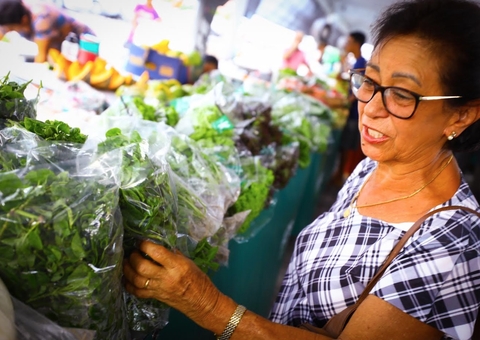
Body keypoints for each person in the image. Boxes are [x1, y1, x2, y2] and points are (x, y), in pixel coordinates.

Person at [123, 0, 480, 338]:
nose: (370, 108)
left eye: (401, 94)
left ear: (462, 115)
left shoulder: (451, 241)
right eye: (369, 81)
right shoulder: (372, 168)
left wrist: (204, 302)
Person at [0, 0, 95, 63]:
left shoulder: (42, 19)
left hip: (83, 44)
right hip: (58, 50)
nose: (7, 31)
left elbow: (41, 58)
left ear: (24, 20)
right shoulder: (8, 17)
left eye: (11, 28)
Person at [332, 31, 367, 185]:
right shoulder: (358, 62)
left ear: (356, 44)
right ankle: (339, 175)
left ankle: (340, 177)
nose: (346, 44)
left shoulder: (361, 64)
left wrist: (345, 102)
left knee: (347, 147)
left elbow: (358, 90)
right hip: (352, 111)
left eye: (349, 41)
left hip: (354, 113)